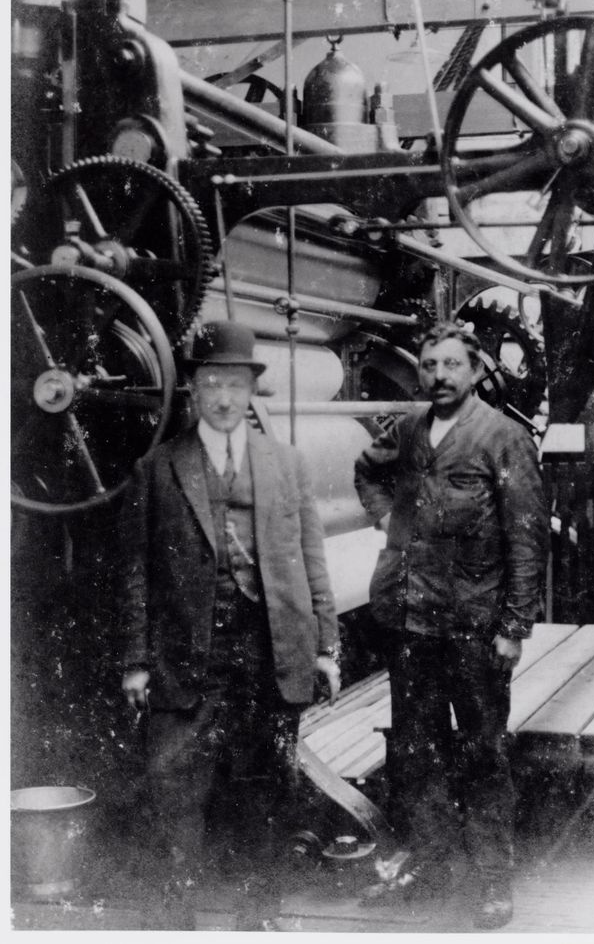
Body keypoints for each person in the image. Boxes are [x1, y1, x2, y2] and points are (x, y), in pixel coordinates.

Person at [119, 320, 340, 886]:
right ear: (194, 389)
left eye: (235, 385)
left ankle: (258, 917)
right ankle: (174, 921)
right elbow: (137, 573)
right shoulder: (157, 467)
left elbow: (313, 561)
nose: (223, 398)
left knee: (267, 786)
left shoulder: (287, 464)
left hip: (270, 652)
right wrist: (136, 662)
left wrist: (327, 648)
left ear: (251, 392)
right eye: (212, 383)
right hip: (188, 655)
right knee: (174, 789)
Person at [353, 321, 548, 931]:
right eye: (430, 365)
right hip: (412, 623)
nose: (439, 375)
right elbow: (368, 471)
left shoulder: (503, 437)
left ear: (474, 370)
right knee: (415, 752)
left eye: (451, 365)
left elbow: (527, 536)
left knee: (483, 755)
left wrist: (514, 625)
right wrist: (390, 522)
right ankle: (432, 865)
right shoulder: (410, 431)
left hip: (474, 626)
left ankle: (492, 882)